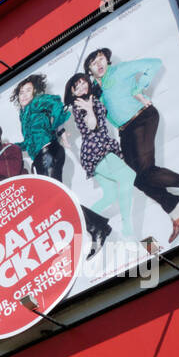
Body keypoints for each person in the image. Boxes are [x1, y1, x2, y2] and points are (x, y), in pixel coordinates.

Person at [84, 48, 179, 245]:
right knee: (135, 178)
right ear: (89, 71)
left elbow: (153, 63)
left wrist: (139, 88)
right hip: (125, 131)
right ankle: (178, 211)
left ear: (108, 60)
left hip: (142, 118)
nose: (99, 64)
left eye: (101, 58)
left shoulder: (120, 70)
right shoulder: (96, 90)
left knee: (146, 170)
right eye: (94, 63)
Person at [12, 73, 112, 256]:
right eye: (21, 92)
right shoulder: (23, 114)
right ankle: (97, 226)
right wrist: (11, 147)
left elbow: (56, 103)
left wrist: (56, 123)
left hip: (49, 153)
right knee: (57, 201)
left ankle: (97, 228)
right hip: (40, 158)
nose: (24, 95)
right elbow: (29, 143)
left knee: (58, 199)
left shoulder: (38, 102)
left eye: (28, 91)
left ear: (35, 92)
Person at [64, 72, 143, 246]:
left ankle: (84, 224)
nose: (82, 87)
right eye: (77, 86)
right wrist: (90, 108)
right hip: (97, 149)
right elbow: (92, 125)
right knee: (128, 177)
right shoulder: (80, 104)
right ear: (72, 91)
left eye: (84, 83)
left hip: (98, 148)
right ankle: (128, 229)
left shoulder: (90, 97)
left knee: (110, 195)